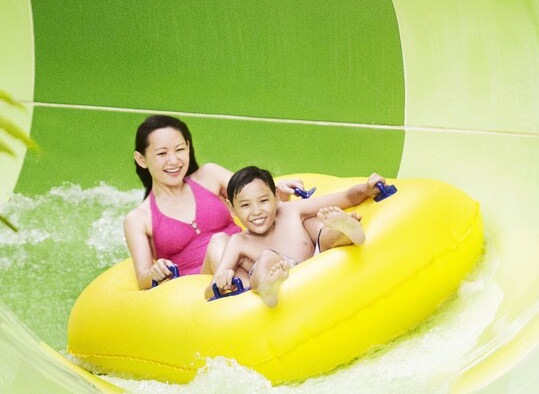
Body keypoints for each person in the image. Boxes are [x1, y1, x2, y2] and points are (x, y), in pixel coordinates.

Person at [123, 115, 303, 289]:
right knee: (218, 243)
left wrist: (279, 193)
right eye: (162, 153)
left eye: (179, 149)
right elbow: (142, 278)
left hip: (249, 254)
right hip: (203, 284)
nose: (174, 160)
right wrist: (154, 272)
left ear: (188, 147)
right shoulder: (139, 218)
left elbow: (253, 195)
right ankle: (253, 286)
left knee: (297, 218)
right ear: (142, 159)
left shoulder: (210, 176)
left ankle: (273, 273)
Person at [208, 166, 385, 307]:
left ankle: (346, 230)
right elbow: (209, 291)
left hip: (315, 261)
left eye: (263, 201)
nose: (256, 211)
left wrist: (366, 189)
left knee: (322, 230)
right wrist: (221, 283)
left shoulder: (290, 210)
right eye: (245, 205)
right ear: (232, 209)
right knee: (266, 258)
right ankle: (267, 288)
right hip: (275, 277)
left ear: (276, 197)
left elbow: (346, 197)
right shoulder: (238, 242)